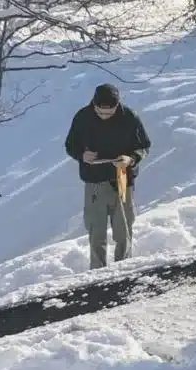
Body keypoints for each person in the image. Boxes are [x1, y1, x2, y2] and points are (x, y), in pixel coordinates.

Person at [64, 84, 152, 270]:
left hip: (122, 179)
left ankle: (124, 267)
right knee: (96, 232)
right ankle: (97, 271)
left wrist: (131, 159)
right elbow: (70, 145)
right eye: (100, 112)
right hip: (94, 181)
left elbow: (143, 146)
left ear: (117, 105)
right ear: (94, 104)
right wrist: (82, 155)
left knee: (123, 229)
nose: (104, 116)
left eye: (109, 112)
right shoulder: (83, 117)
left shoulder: (129, 117)